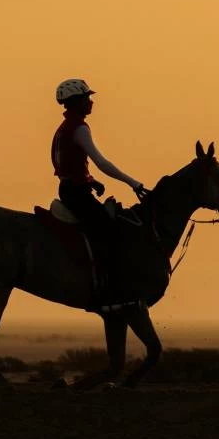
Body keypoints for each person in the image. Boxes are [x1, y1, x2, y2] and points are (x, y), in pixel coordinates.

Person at [51, 79, 148, 310]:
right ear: (77, 102)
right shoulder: (79, 128)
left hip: (71, 188)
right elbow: (101, 162)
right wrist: (132, 183)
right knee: (110, 231)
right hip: (75, 192)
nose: (91, 102)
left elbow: (68, 165)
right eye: (87, 98)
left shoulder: (65, 128)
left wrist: (91, 181)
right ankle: (107, 289)